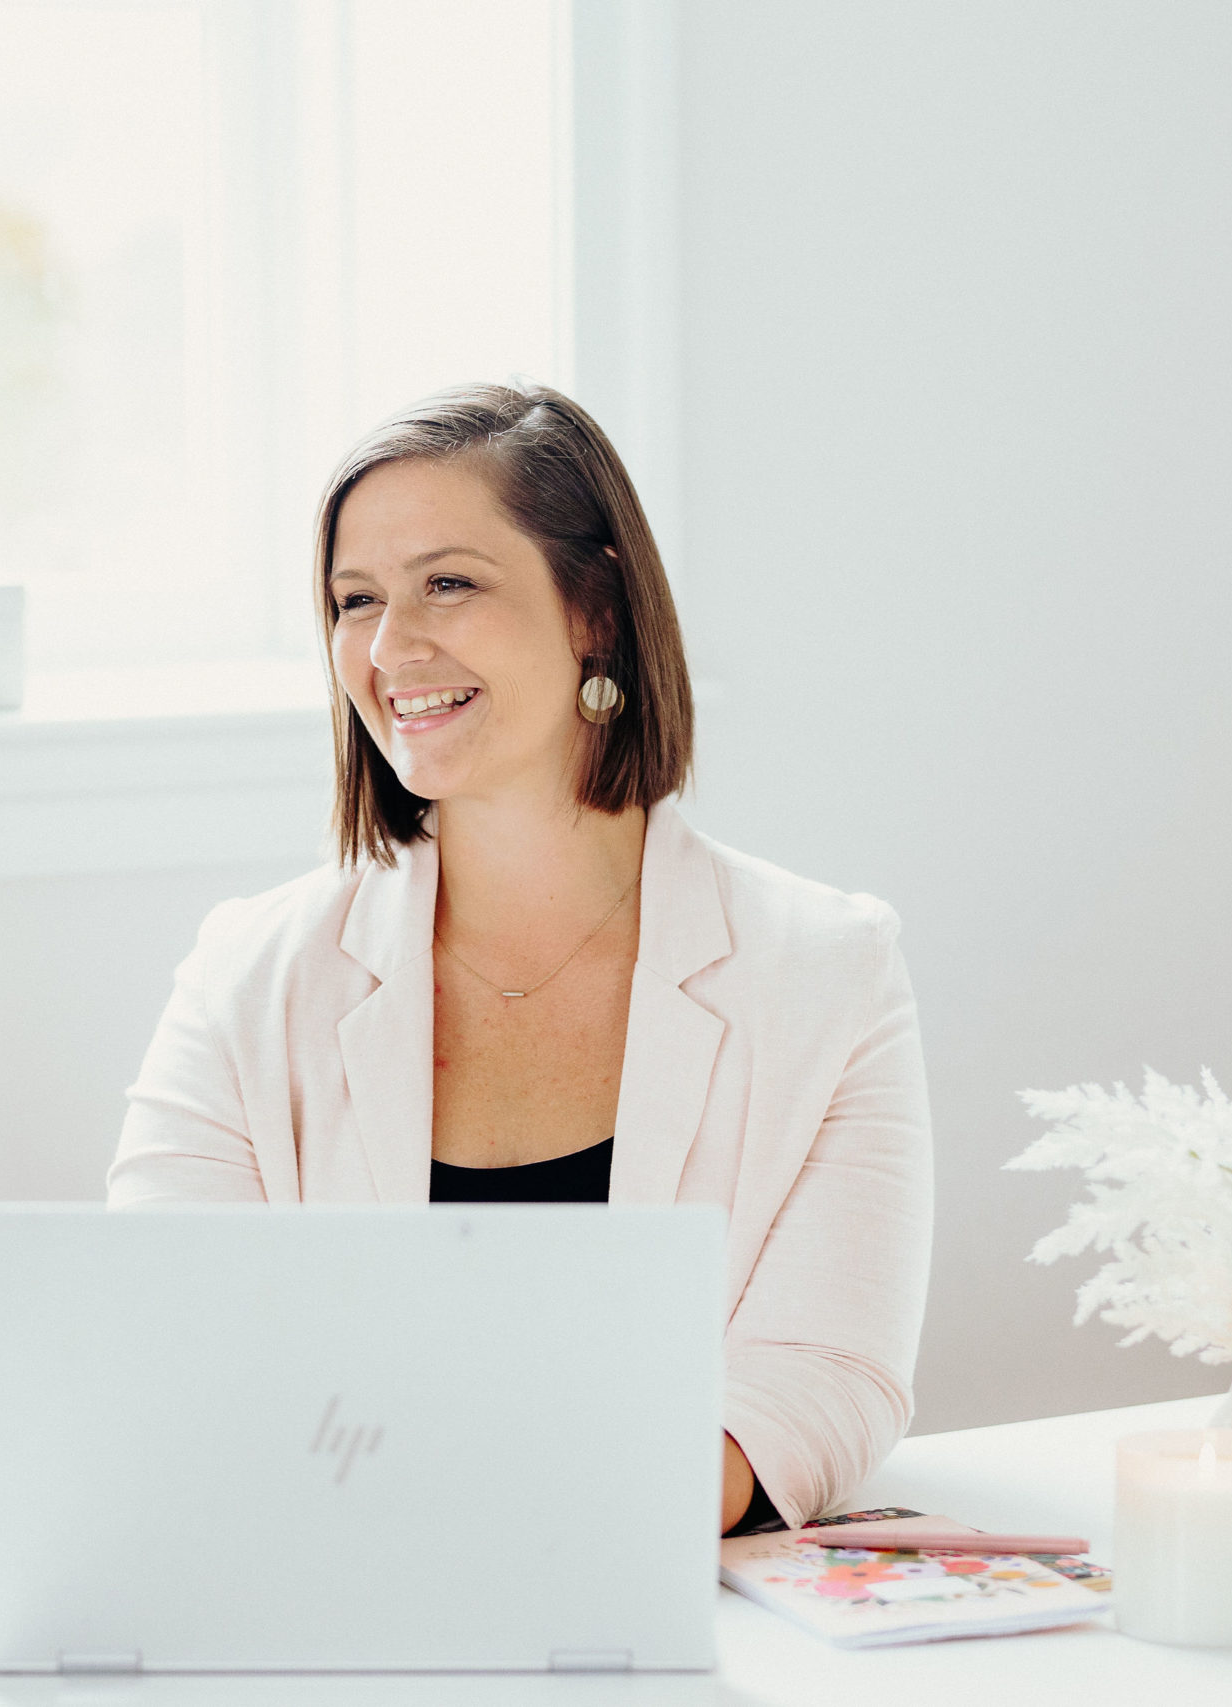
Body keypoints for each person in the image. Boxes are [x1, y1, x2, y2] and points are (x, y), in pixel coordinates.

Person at [108, 382, 933, 1535]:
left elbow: (822, 1378)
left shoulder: (826, 969)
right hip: (333, 1595)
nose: (391, 647)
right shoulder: (248, 976)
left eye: (448, 581)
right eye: (355, 600)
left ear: (593, 607)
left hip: (658, 1602)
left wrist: (555, 1518)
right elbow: (167, 1348)